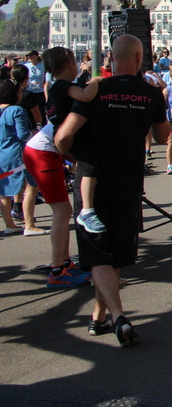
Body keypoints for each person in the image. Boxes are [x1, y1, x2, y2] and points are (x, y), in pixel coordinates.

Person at [55, 34, 170, 347]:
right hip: (129, 181)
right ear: (138, 58)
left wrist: (79, 159)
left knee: (98, 254)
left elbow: (63, 136)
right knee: (113, 251)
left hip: (93, 182)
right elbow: (162, 137)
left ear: (111, 57)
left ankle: (116, 315)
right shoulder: (150, 93)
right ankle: (99, 316)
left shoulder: (96, 90)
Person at [24, 47, 101, 284]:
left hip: (49, 150)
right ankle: (59, 269)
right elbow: (87, 96)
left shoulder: (58, 86)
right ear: (68, 64)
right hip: (42, 152)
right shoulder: (62, 85)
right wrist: (97, 80)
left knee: (63, 210)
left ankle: (63, 261)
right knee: (62, 211)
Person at [0, 78, 32, 234]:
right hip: (16, 154)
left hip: (1, 154)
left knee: (3, 191)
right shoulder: (16, 111)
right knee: (29, 187)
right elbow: (23, 134)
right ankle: (29, 223)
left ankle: (9, 224)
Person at [21, 49, 46, 127]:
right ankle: (31, 126)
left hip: (39, 91)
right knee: (30, 111)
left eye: (32, 56)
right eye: (29, 56)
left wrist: (44, 84)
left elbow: (47, 77)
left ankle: (43, 128)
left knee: (41, 111)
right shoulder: (26, 65)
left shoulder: (42, 65)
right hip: (29, 91)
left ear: (37, 56)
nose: (30, 57)